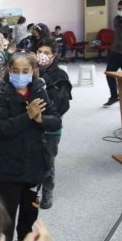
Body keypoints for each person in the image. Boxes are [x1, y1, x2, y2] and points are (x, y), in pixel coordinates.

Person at [0, 52, 61, 241]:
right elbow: (2, 128)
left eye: (25, 71)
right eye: (15, 71)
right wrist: (28, 116)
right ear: (8, 71)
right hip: (9, 165)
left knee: (30, 211)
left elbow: (56, 120)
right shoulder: (0, 93)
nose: (20, 75)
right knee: (7, 212)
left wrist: (41, 119)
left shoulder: (38, 90)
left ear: (33, 71)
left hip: (34, 162)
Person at [37, 38, 72, 209]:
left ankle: (47, 191)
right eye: (39, 52)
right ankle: (31, 189)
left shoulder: (60, 76)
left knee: (47, 161)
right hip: (30, 124)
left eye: (46, 53)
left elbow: (62, 106)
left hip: (50, 126)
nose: (42, 56)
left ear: (54, 56)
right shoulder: (29, 71)